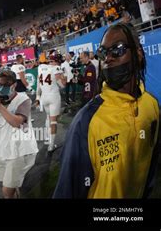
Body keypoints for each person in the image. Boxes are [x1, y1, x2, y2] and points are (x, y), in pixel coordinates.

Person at [54, 23, 159, 198]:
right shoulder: (86, 122)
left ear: (138, 53)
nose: (108, 58)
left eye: (117, 49)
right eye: (103, 52)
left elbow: (151, 165)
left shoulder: (151, 106)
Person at [0, 70, 38, 198]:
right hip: (3, 152)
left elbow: (17, 122)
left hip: (19, 152)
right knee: (10, 186)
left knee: (6, 191)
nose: (0, 88)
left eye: (4, 85)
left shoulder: (23, 99)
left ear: (13, 85)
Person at [35, 52, 65, 152]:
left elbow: (38, 85)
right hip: (53, 97)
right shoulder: (56, 68)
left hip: (44, 97)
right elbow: (62, 85)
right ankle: (51, 145)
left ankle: (48, 139)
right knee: (53, 121)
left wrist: (37, 97)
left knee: (48, 119)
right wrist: (64, 78)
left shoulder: (40, 68)